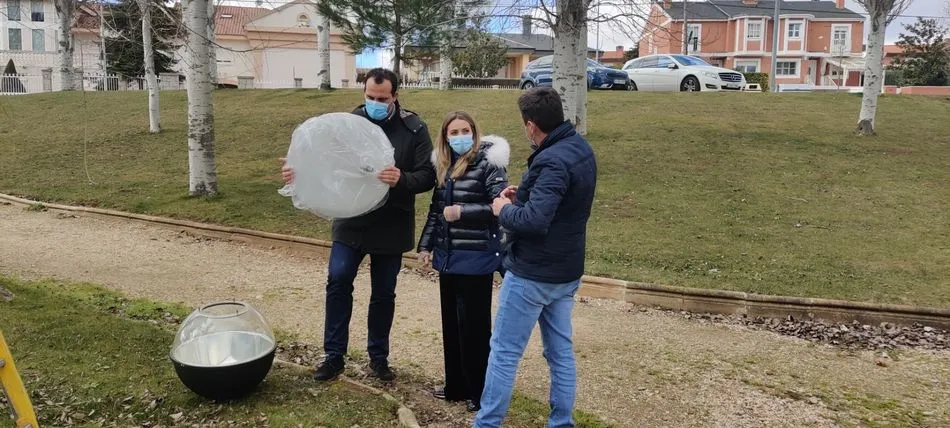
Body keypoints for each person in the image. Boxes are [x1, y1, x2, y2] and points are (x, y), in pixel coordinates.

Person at [280, 68, 435, 382]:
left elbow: (428, 175)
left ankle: (379, 359)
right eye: (370, 97)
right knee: (338, 281)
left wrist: (401, 178)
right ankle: (333, 356)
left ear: (395, 96)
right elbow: (325, 164)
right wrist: (298, 171)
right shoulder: (346, 125)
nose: (375, 103)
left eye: (382, 99)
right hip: (351, 220)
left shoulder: (414, 129)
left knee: (384, 293)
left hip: (391, 223)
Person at [474, 87, 598, 427]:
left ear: (531, 126)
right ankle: (561, 422)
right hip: (566, 271)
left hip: (533, 273)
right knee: (560, 352)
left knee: (504, 353)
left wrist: (502, 209)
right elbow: (561, 203)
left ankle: (486, 423)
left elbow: (534, 221)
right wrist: (524, 194)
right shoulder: (579, 147)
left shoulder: (551, 159)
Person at [416, 112, 509, 412]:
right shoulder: (444, 166)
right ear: (445, 137)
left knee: (475, 329)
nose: (459, 137)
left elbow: (500, 206)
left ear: (474, 132)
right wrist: (425, 246)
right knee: (452, 325)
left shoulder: (489, 163)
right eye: (453, 132)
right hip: (449, 257)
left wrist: (462, 212)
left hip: (477, 256)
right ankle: (455, 385)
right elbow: (435, 210)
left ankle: (480, 393)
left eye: (464, 130)